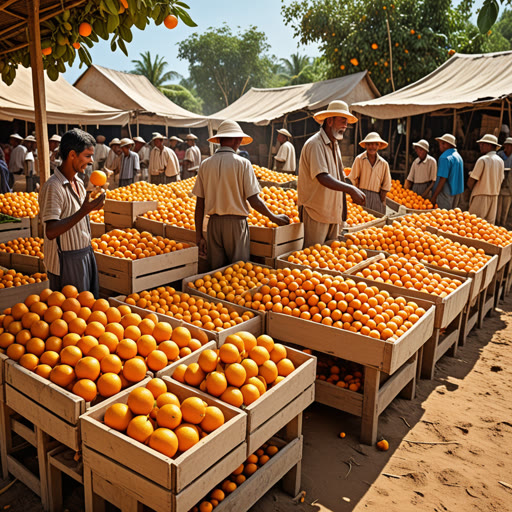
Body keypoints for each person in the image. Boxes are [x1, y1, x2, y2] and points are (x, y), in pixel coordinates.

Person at [193, 120, 290, 269]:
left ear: (219, 140)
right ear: (237, 140)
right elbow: (254, 200)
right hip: (236, 226)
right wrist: (274, 217)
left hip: (213, 225)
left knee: (215, 275)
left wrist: (199, 235)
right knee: (238, 272)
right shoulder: (243, 164)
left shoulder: (205, 165)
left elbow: (200, 204)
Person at [38, 128, 105, 296]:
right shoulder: (54, 187)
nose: (91, 161)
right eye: (87, 156)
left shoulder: (79, 183)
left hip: (84, 254)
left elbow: (78, 217)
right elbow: (51, 231)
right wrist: (84, 211)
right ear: (73, 155)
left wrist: (90, 209)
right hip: (65, 262)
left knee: (86, 312)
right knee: (71, 315)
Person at [298, 100, 365, 248]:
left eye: (346, 122)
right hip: (316, 212)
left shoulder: (335, 145)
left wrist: (344, 211)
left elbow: (339, 176)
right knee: (312, 259)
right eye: (342, 121)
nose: (345, 126)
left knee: (329, 259)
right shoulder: (315, 144)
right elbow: (323, 177)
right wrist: (351, 189)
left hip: (333, 213)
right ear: (329, 121)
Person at [348, 132, 391, 215]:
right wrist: (355, 195)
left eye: (375, 144)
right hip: (361, 194)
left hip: (377, 196)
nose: (372, 147)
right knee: (362, 220)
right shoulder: (359, 159)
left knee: (376, 223)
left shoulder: (384, 163)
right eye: (370, 144)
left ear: (379, 146)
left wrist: (382, 200)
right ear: (366, 145)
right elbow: (352, 178)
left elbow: (386, 184)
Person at [467, 134, 504, 224]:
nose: (480, 146)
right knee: (488, 228)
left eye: (483, 144)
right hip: (494, 197)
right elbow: (501, 179)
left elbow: (471, 180)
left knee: (473, 225)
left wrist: (471, 190)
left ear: (489, 145)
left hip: (480, 196)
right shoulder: (500, 161)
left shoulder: (483, 159)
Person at [431, 134, 464, 210]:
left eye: (440, 143)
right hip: (456, 193)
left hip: (445, 193)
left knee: (443, 217)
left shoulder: (444, 157)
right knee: (451, 216)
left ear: (445, 144)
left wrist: (434, 196)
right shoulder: (458, 157)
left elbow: (443, 179)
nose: (439, 145)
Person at [497, 137, 512, 227]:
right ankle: (497, 224)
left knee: (505, 210)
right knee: (498, 209)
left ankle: (503, 225)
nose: (508, 147)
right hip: (499, 186)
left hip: (509, 187)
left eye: (509, 146)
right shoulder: (499, 155)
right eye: (506, 145)